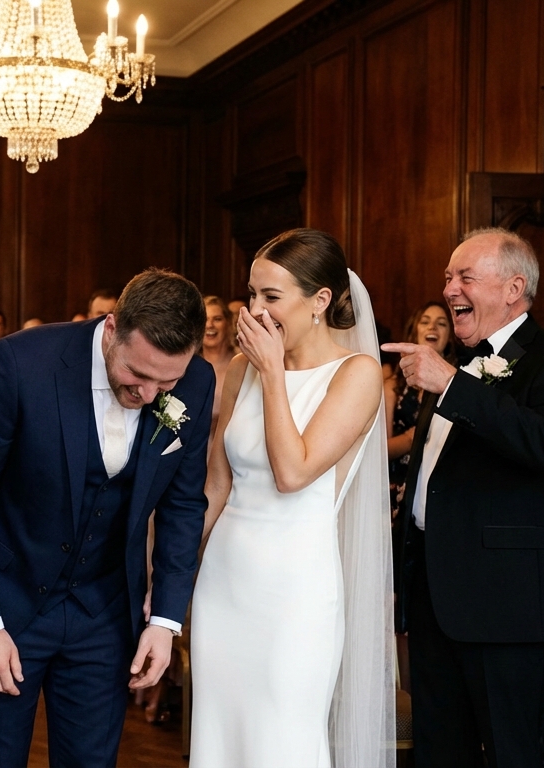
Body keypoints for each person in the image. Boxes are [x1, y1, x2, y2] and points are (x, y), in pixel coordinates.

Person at [0, 268, 214, 767]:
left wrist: (165, 621)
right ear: (111, 329)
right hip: (6, 603)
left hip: (104, 614)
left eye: (164, 381)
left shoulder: (196, 381)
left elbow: (183, 504)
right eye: (137, 374)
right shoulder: (19, 363)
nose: (148, 394)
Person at [385, 228, 544, 767]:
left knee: (514, 755)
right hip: (434, 603)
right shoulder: (454, 361)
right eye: (448, 277)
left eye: (465, 277)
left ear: (513, 287)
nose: (450, 288)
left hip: (509, 608)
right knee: (438, 753)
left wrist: (452, 385)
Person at [191, 229, 393, 768]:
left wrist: (274, 372)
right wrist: (173, 577)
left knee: (283, 740)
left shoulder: (357, 374)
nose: (254, 310)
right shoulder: (239, 369)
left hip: (294, 592)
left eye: (271, 298)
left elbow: (293, 471)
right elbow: (216, 485)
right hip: (224, 582)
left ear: (320, 301)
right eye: (252, 294)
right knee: (218, 737)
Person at [385, 301, 454, 519]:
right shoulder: (391, 387)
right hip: (397, 492)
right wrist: (411, 437)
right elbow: (379, 450)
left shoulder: (460, 386)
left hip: (442, 492)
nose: (432, 327)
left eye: (441, 323)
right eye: (425, 322)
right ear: (415, 330)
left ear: (450, 337)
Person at [200, 295, 236, 423]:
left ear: (228, 323)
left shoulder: (243, 363)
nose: (210, 325)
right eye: (205, 319)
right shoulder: (187, 366)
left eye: (217, 319)